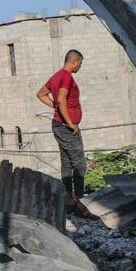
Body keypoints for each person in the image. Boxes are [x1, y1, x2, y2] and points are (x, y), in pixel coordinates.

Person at [37, 49, 87, 212]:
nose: (80, 66)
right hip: (65, 126)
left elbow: (41, 94)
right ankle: (79, 201)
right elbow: (60, 98)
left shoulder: (56, 76)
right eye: (80, 63)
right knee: (79, 164)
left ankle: (68, 199)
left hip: (59, 125)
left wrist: (56, 108)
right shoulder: (66, 77)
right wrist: (70, 122)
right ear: (75, 61)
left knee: (66, 162)